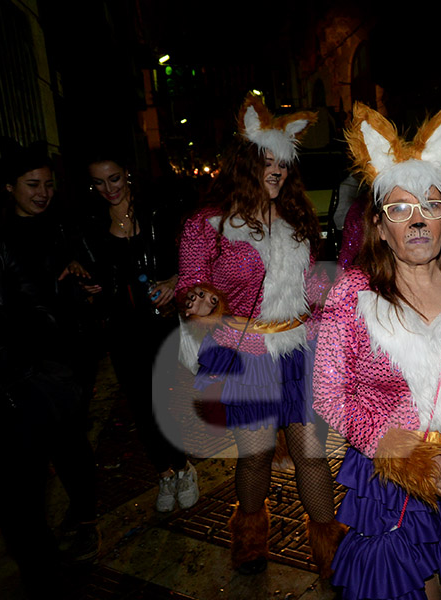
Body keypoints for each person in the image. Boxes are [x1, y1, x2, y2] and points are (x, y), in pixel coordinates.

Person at [314, 96, 441, 600]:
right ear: (380, 228)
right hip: (390, 480)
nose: (419, 220)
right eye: (400, 209)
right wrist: (398, 451)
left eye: (432, 205)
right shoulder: (352, 296)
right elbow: (329, 393)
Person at [177, 94, 342, 577]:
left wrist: (334, 295)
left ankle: (333, 553)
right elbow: (192, 287)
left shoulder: (297, 223)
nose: (278, 171)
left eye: (283, 163)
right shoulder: (207, 227)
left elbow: (308, 286)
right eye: (267, 162)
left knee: (311, 455)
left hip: (298, 351)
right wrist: (199, 300)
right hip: (247, 354)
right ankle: (249, 539)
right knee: (257, 456)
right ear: (247, 165)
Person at [0, 144, 100, 591]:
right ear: (8, 187)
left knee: (71, 447)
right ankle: (42, 564)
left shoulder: (64, 225)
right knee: (22, 479)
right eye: (33, 185)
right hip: (26, 374)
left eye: (49, 184)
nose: (43, 193)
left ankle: (85, 519)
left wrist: (83, 276)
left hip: (68, 362)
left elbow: (90, 272)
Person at [83, 151, 199, 514]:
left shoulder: (157, 213)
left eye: (114, 179)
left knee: (169, 402)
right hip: (122, 330)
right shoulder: (90, 224)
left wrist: (177, 280)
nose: (108, 189)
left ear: (127, 175)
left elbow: (191, 258)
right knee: (142, 406)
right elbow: (89, 270)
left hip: (162, 324)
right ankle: (164, 472)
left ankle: (183, 467)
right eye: (99, 182)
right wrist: (85, 282)